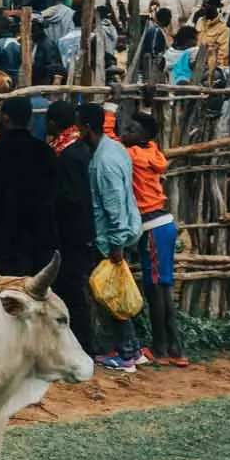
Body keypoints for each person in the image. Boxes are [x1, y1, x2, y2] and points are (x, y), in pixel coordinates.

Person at [80, 102, 142, 370]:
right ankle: (133, 349)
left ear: (87, 127)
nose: (76, 130)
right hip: (125, 230)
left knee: (112, 295)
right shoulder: (114, 148)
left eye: (79, 125)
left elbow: (113, 204)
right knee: (118, 292)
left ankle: (126, 355)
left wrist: (115, 244)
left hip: (112, 239)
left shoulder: (103, 162)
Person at [123, 114, 187, 366]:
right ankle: (173, 348)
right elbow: (145, 132)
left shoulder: (134, 156)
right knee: (161, 288)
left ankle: (164, 348)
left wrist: (109, 109)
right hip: (163, 226)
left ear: (144, 138)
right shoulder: (152, 151)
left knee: (157, 290)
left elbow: (110, 139)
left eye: (131, 129)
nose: (125, 132)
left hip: (153, 228)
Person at [0, 98, 58, 277]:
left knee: (13, 292)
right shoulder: (45, 152)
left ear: (4, 118)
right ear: (29, 119)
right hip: (41, 237)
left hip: (7, 239)